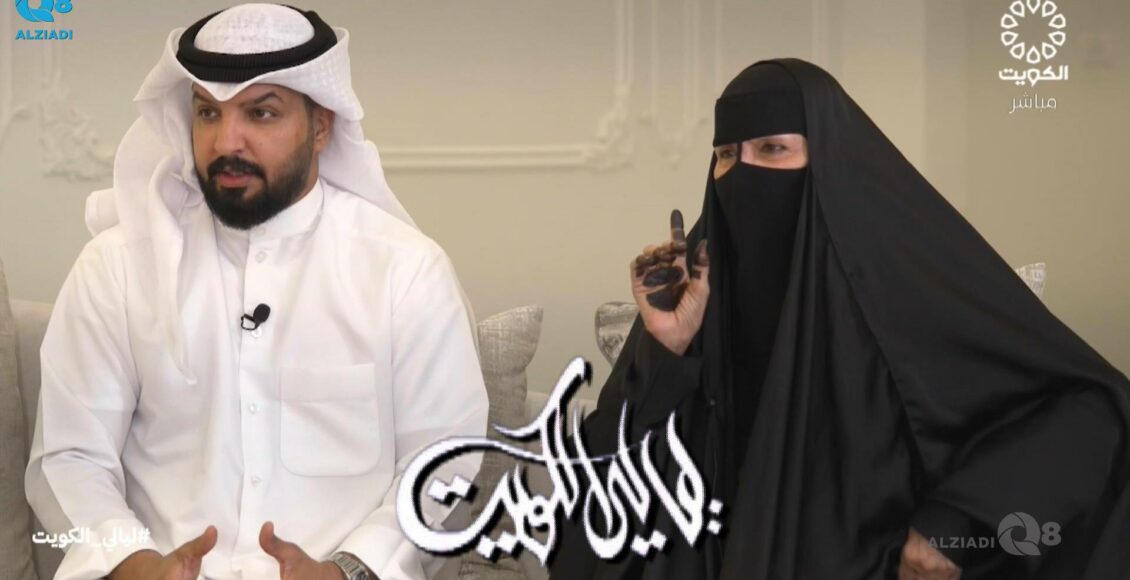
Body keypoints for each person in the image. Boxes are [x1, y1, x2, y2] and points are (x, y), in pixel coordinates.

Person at [550, 58, 1130, 579]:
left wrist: (955, 525)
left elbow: (1093, 408)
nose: (740, 173)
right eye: (726, 155)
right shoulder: (701, 288)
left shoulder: (897, 277)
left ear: (826, 157)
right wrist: (666, 350)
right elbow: (598, 474)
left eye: (772, 149)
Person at [24, 4, 489, 580]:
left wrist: (349, 569)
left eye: (260, 113)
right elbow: (69, 458)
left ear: (321, 126)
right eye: (207, 112)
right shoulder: (117, 267)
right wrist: (134, 564)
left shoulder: (405, 272)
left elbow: (442, 461)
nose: (226, 141)